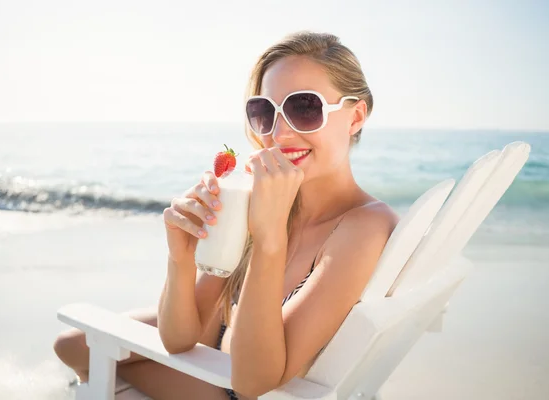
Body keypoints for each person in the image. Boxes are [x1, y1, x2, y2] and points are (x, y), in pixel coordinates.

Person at [53, 31, 399, 400]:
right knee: (72, 344)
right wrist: (181, 255)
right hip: (219, 348)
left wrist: (269, 240)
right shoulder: (254, 199)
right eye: (265, 113)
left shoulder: (364, 226)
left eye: (305, 108)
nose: (280, 133)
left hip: (241, 386)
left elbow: (253, 383)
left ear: (356, 116)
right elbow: (181, 338)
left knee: (95, 366)